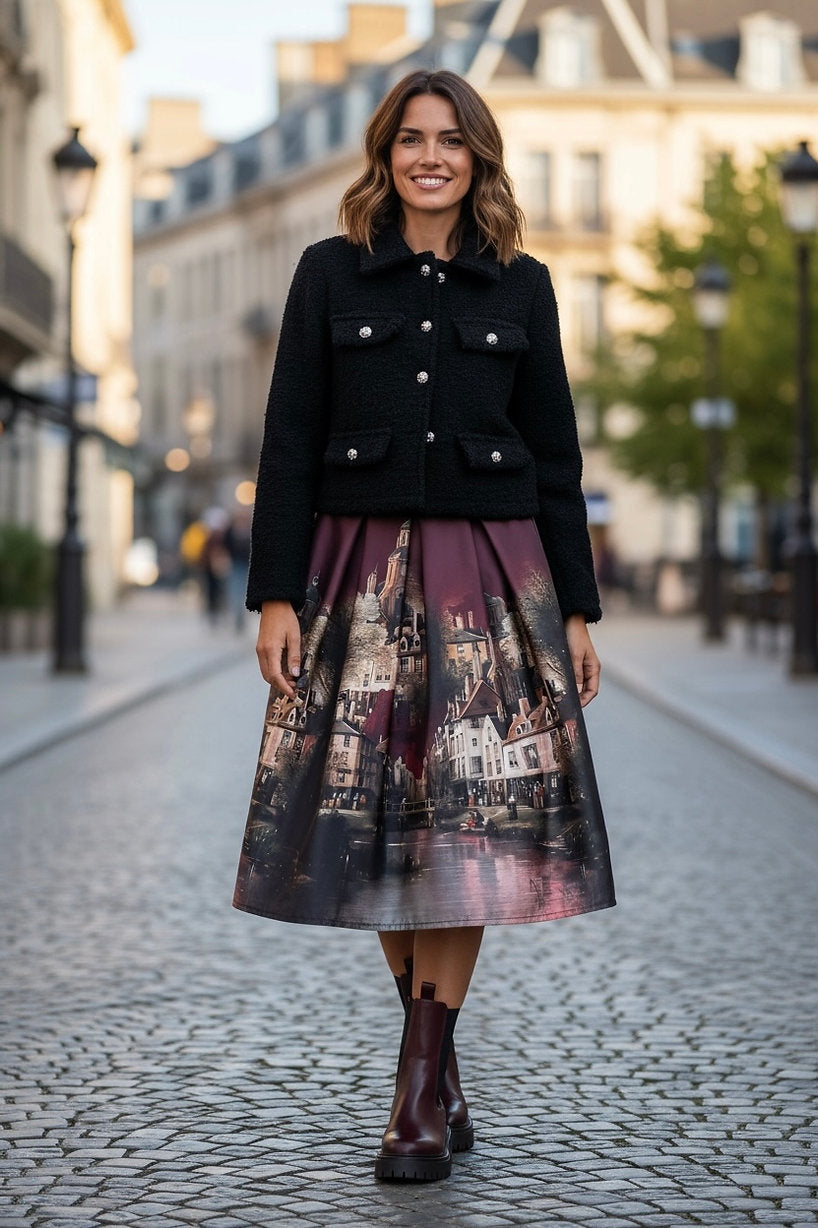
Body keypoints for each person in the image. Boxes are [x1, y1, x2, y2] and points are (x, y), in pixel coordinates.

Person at [233, 69, 615, 1183]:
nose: (430, 157)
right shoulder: (327, 273)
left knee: (467, 829)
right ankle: (435, 1062)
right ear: (383, 154)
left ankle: (416, 1080)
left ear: (478, 156)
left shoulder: (522, 286)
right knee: (379, 820)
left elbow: (556, 459)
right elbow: (287, 440)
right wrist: (273, 595)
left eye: (451, 140)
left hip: (490, 583)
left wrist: (578, 608)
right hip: (351, 578)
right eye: (412, 139)